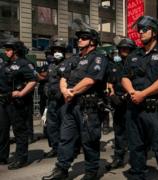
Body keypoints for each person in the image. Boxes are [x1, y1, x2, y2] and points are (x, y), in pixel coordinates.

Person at [42, 26, 108, 180]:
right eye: (79, 38)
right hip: (71, 105)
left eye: (83, 38)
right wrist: (65, 90)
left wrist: (71, 92)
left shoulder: (98, 58)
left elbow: (90, 80)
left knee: (89, 140)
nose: (79, 40)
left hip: (88, 107)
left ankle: (91, 171)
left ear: (92, 41)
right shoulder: (73, 59)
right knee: (66, 138)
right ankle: (61, 169)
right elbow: (63, 76)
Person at [121, 15, 158, 179]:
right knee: (135, 147)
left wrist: (143, 94)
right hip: (134, 109)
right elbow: (125, 77)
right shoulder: (134, 55)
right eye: (139, 30)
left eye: (145, 29)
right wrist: (132, 93)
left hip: (156, 111)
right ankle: (138, 175)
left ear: (155, 32)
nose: (141, 33)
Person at [0, 39, 37, 169]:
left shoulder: (24, 63)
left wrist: (21, 93)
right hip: (3, 101)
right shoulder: (5, 64)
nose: (6, 51)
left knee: (19, 130)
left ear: (15, 50)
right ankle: (2, 156)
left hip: (17, 102)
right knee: (2, 129)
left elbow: (33, 80)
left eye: (9, 49)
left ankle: (21, 158)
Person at [105, 38, 136, 170]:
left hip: (133, 103)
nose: (124, 51)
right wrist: (111, 95)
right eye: (122, 48)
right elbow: (109, 83)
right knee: (119, 133)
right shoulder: (114, 66)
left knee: (134, 134)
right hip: (118, 104)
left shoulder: (136, 65)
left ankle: (137, 161)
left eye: (127, 48)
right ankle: (118, 158)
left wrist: (126, 96)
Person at [43, 37, 68, 158]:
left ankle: (69, 148)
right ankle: (55, 147)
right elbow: (48, 81)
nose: (57, 52)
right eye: (55, 50)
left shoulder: (68, 64)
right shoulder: (51, 66)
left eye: (59, 49)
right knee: (52, 125)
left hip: (63, 101)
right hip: (52, 101)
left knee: (65, 125)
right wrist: (46, 90)